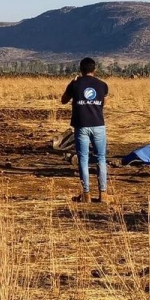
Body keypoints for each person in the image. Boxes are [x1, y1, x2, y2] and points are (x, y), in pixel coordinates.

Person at [61, 57, 110, 203]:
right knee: (101, 158)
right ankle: (103, 194)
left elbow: (63, 100)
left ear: (81, 70)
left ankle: (86, 194)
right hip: (98, 125)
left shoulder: (75, 85)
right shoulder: (103, 85)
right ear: (95, 70)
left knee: (83, 159)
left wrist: (72, 84)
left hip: (81, 125)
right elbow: (103, 103)